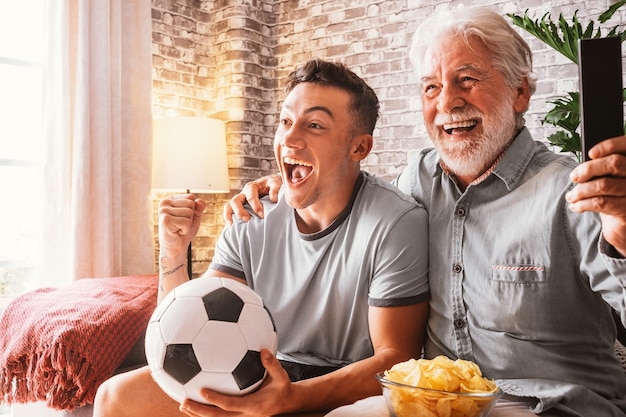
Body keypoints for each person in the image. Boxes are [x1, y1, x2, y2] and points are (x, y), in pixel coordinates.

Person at [225, 8, 626, 417]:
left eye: (467, 80)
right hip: (436, 404)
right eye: (431, 87)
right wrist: (288, 184)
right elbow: (342, 181)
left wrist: (623, 232)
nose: (448, 102)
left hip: (551, 405)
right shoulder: (414, 182)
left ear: (520, 92)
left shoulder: (576, 192)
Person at [92, 59, 430, 417]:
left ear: (359, 148)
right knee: (117, 397)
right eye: (285, 121)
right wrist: (173, 253)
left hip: (345, 386)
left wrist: (289, 399)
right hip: (256, 373)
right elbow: (184, 325)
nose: (290, 138)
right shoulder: (251, 213)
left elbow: (396, 359)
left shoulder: (396, 222)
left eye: (314, 125)